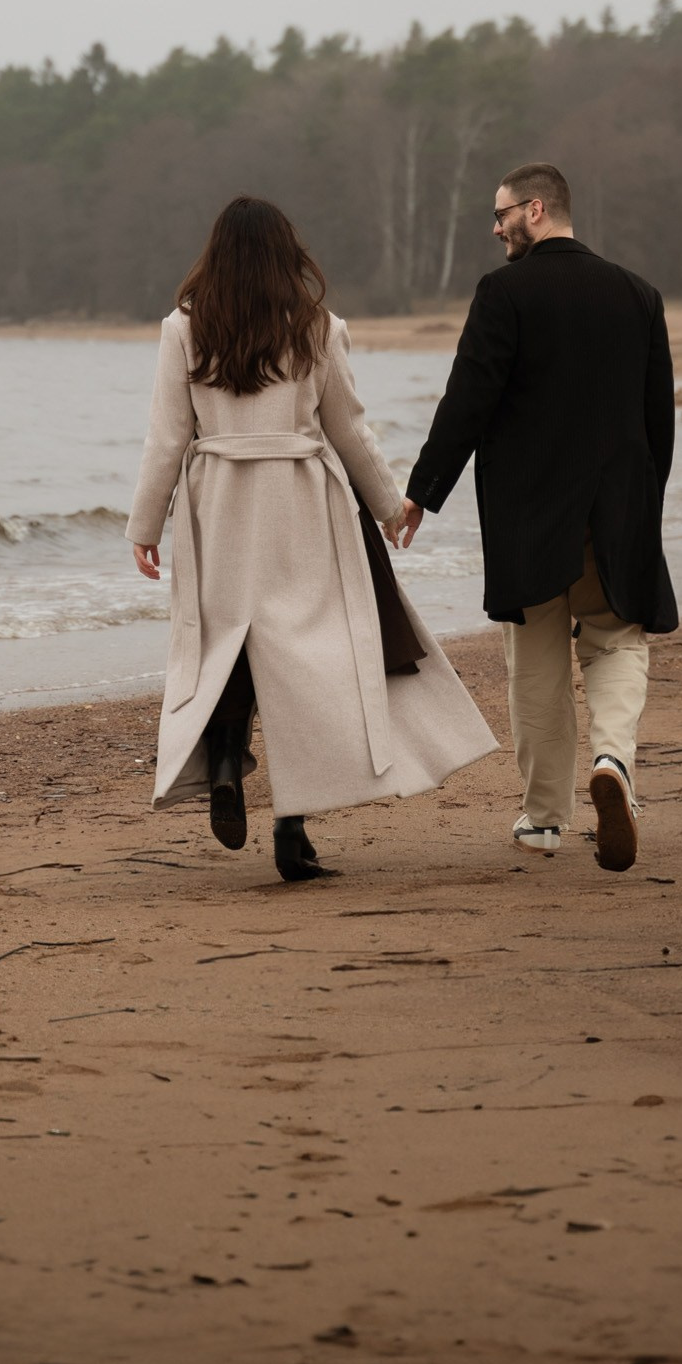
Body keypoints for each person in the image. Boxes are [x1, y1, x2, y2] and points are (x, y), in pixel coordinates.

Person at [128, 194, 496, 881]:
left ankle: (229, 758)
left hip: (221, 506)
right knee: (306, 659)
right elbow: (349, 428)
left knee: (230, 642)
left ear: (215, 253)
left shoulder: (181, 328)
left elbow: (168, 437)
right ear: (283, 254)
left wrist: (145, 524)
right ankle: (292, 831)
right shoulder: (318, 326)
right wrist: (391, 505)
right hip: (303, 502)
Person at [394, 161, 676, 871]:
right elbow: (657, 420)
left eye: (502, 215)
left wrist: (423, 490)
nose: (496, 229)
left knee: (536, 662)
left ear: (538, 209)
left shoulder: (504, 293)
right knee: (616, 639)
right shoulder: (639, 296)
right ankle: (613, 762)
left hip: (530, 513)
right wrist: (645, 507)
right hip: (618, 507)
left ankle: (545, 820)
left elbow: (469, 400)